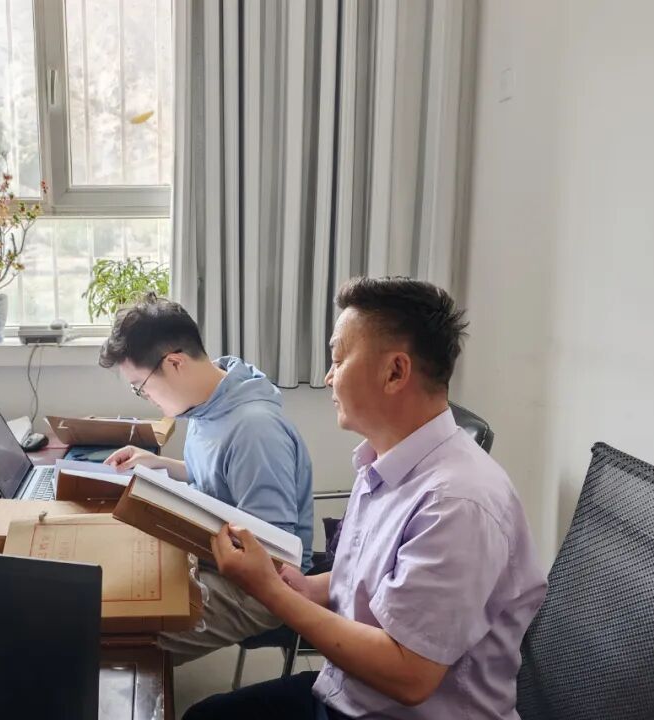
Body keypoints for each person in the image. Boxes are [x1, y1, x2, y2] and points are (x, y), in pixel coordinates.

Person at [185, 277, 548, 719]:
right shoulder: (385, 459)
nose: (329, 376)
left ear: (395, 372)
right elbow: (374, 577)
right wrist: (306, 587)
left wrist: (270, 591)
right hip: (349, 691)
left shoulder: (457, 504)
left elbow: (408, 675)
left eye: (339, 359)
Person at [99, 293, 314, 664]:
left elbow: (272, 554)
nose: (144, 396)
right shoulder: (210, 400)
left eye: (141, 386)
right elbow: (219, 478)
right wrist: (160, 465)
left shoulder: (255, 430)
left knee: (125, 630)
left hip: (265, 587)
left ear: (175, 363)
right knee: (117, 579)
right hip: (216, 553)